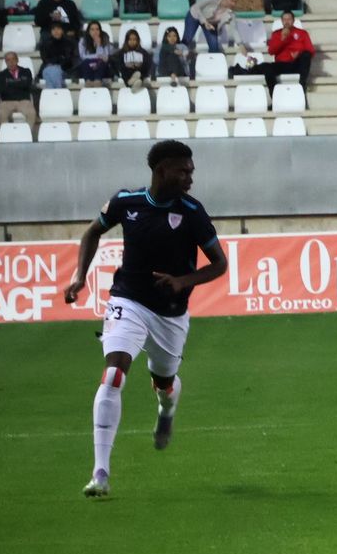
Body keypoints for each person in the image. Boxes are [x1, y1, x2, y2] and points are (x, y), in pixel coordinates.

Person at [63, 141, 228, 498]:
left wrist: (182, 281)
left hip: (170, 315)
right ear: (161, 171)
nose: (190, 178)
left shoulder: (192, 212)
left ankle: (166, 410)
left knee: (164, 382)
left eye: (191, 171)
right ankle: (100, 473)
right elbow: (92, 232)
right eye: (183, 171)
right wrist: (80, 276)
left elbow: (219, 264)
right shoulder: (127, 202)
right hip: (128, 300)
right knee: (114, 373)